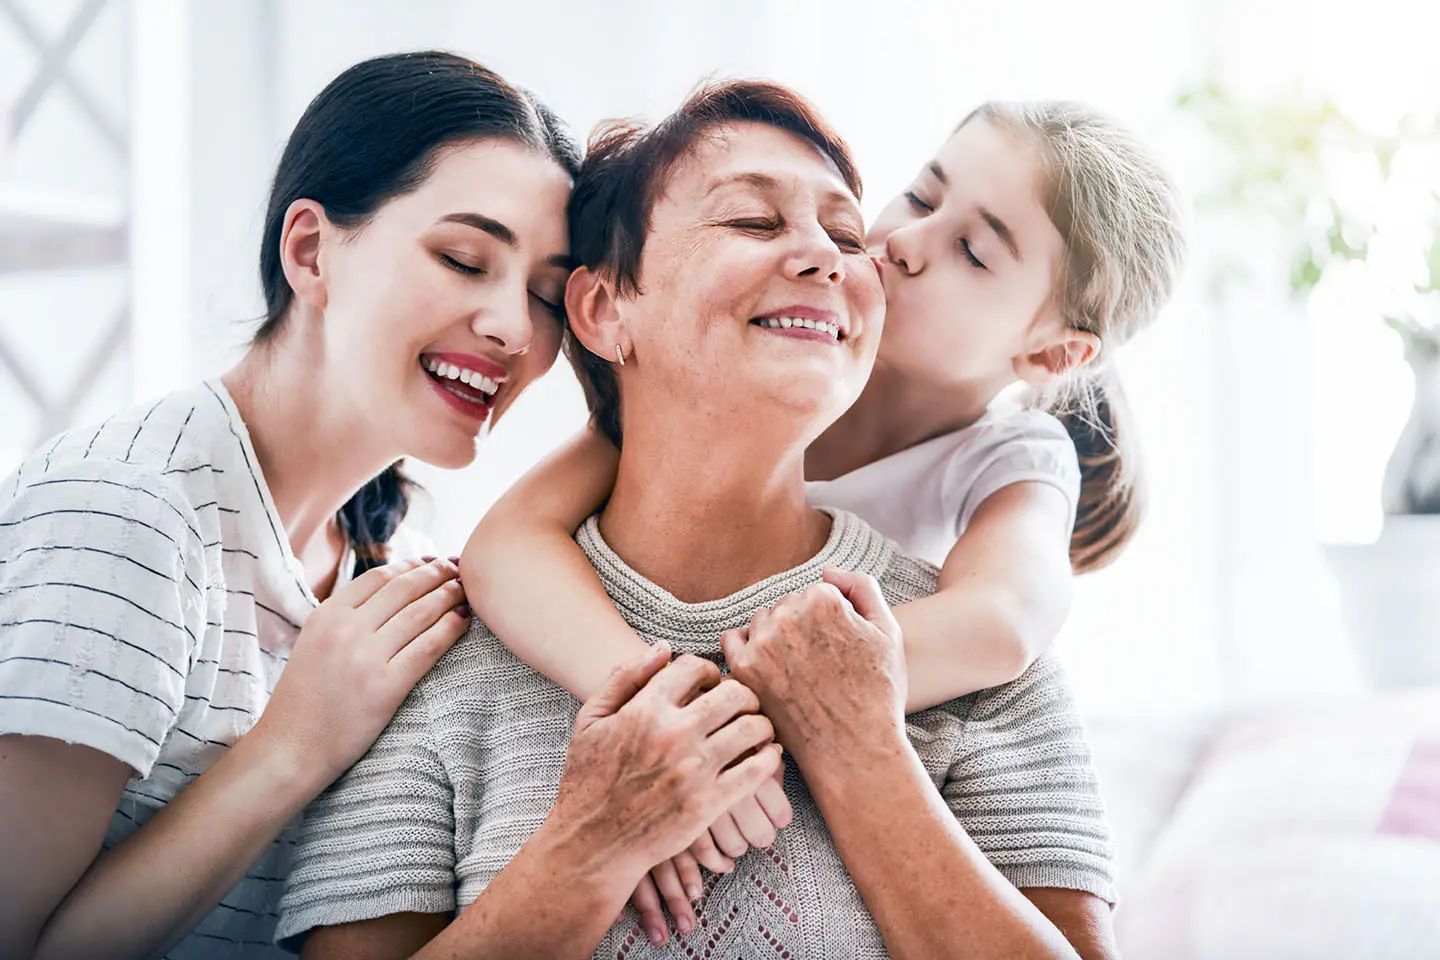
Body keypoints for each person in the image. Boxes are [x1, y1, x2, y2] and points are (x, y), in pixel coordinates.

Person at [279, 80, 1118, 959]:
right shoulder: (427, 653)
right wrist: (592, 845)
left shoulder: (966, 654)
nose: (830, 257)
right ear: (605, 311)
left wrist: (862, 754)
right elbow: (503, 548)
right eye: (754, 223)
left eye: (843, 232)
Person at [463, 95, 1186, 936]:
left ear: (1052, 353)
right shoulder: (732, 373)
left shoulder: (1013, 456)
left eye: (973, 253)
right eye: (920, 197)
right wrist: (668, 719)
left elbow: (1005, 621)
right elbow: (505, 546)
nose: (902, 245)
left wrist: (783, 711)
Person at [0, 51, 585, 960]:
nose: (515, 327)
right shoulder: (131, 514)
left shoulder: (386, 565)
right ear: (311, 250)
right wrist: (295, 744)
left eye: (547, 294)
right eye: (465, 259)